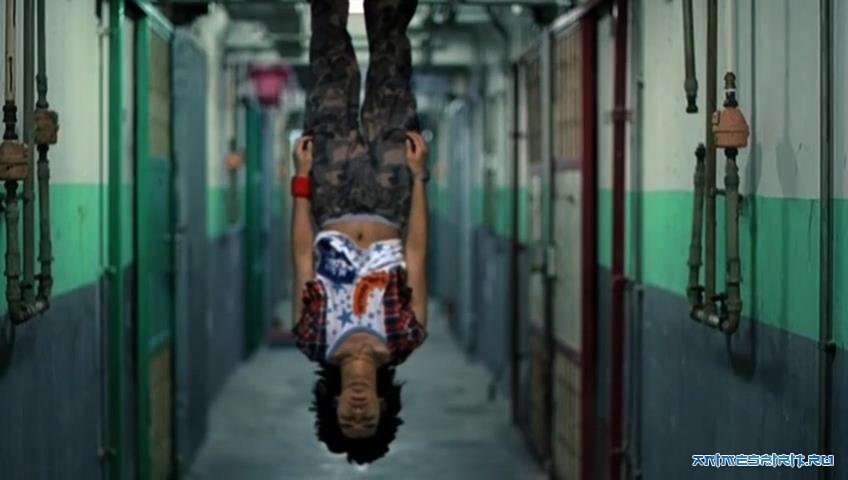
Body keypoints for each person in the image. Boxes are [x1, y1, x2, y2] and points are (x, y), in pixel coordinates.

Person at [289, 0, 428, 464]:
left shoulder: (312, 338)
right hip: (391, 195)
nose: (358, 411)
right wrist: (419, 178)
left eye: (348, 420)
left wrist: (301, 181)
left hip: (331, 193)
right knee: (391, 63)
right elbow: (417, 252)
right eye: (367, 421)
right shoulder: (407, 336)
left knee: (331, 68)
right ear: (384, 408)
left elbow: (303, 256)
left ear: (333, 407)